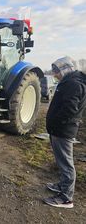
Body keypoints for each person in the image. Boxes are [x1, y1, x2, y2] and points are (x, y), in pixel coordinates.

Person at [44, 56, 86, 208]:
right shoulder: (70, 81)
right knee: (62, 161)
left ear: (66, 69)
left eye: (57, 71)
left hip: (63, 130)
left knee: (66, 164)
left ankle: (66, 198)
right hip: (60, 129)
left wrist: (56, 123)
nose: (55, 74)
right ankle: (62, 186)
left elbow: (69, 110)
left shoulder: (73, 84)